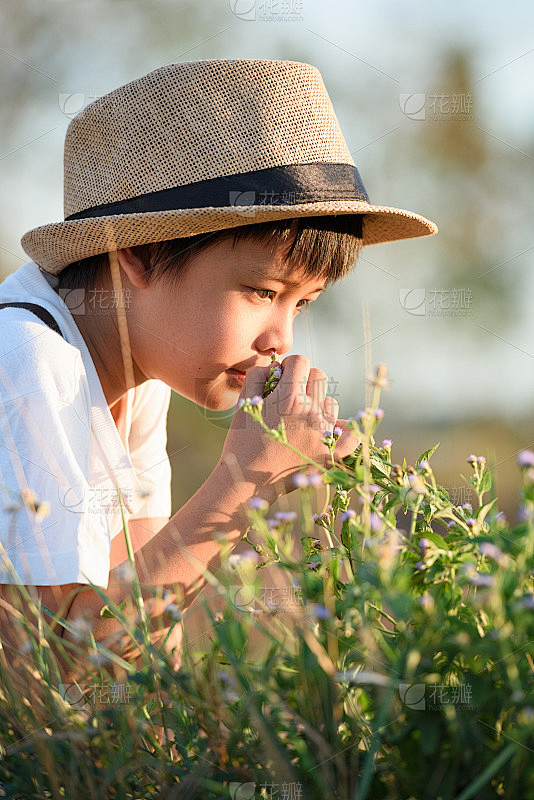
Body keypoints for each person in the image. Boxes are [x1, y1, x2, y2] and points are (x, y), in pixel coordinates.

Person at [0, 59, 437, 674]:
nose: (280, 340)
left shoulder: (137, 372)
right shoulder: (26, 361)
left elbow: (143, 639)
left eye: (303, 303)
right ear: (142, 255)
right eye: (262, 291)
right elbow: (46, 664)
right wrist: (243, 479)